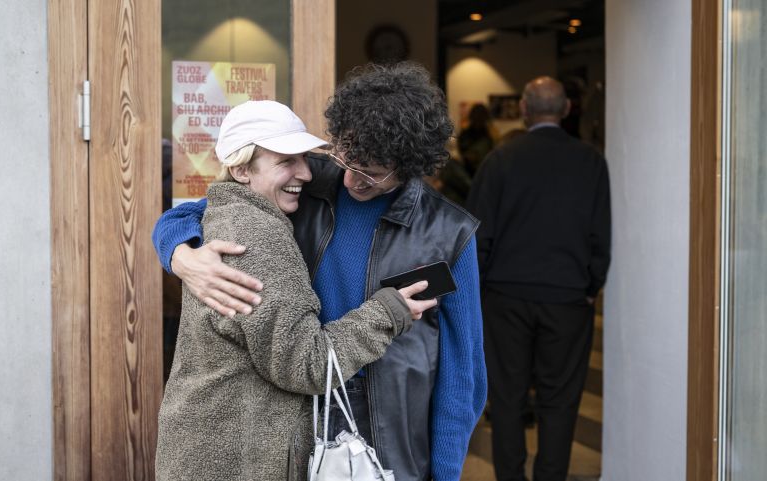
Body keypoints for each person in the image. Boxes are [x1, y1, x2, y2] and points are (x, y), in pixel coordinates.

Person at [152, 62, 487, 481]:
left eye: (372, 172)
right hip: (303, 403)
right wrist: (180, 256)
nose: (350, 178)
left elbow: (463, 373)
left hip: (392, 419)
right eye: (345, 156)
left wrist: (446, 470)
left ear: (407, 167)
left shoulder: (448, 232)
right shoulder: (306, 181)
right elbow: (200, 210)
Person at [465, 76, 611, 481]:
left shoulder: (500, 159)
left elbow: (477, 234)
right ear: (566, 110)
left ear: (525, 111)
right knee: (560, 400)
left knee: (507, 398)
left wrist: (483, 289)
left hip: (505, 299)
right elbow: (601, 234)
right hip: (567, 298)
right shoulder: (591, 161)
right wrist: (589, 287)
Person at [458, 103, 496, 179]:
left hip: (481, 172)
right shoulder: (490, 134)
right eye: (477, 116)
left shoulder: (490, 134)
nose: (478, 119)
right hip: (471, 173)